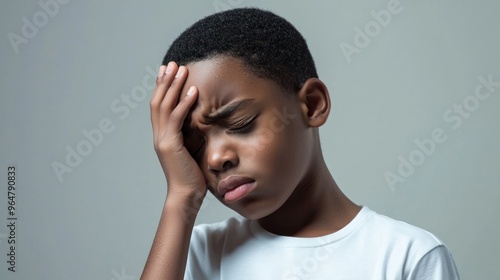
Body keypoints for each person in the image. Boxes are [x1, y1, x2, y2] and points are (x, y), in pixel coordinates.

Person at [141, 8, 460, 280]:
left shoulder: (407, 256)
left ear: (311, 104)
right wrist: (181, 200)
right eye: (194, 145)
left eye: (240, 124)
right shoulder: (194, 252)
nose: (215, 157)